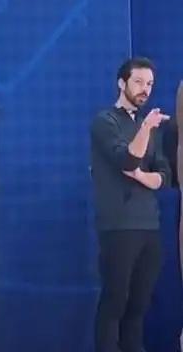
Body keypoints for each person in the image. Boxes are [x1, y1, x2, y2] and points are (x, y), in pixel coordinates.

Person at [90, 57, 171, 352]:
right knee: (115, 300)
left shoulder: (148, 127)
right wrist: (145, 129)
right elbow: (127, 159)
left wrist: (138, 175)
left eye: (149, 84)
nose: (144, 89)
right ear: (121, 83)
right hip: (119, 226)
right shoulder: (105, 122)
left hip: (149, 225)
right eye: (138, 82)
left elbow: (164, 175)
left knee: (139, 303)